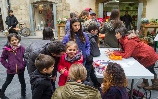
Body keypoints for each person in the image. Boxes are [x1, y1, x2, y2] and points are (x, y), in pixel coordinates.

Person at [0, 33, 26, 99]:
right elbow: (2, 59)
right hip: (11, 69)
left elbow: (26, 57)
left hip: (20, 69)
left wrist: (23, 64)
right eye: (12, 40)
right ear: (9, 41)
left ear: (18, 40)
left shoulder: (22, 48)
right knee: (7, 82)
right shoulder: (6, 50)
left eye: (16, 39)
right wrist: (8, 66)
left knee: (22, 82)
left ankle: (23, 95)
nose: (14, 41)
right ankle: (1, 94)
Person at [85, 23, 101, 88]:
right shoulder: (91, 38)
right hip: (88, 59)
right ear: (92, 31)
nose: (97, 33)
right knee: (87, 74)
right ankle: (87, 87)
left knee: (91, 71)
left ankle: (96, 83)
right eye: (96, 31)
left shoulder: (85, 35)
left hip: (86, 58)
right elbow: (96, 52)